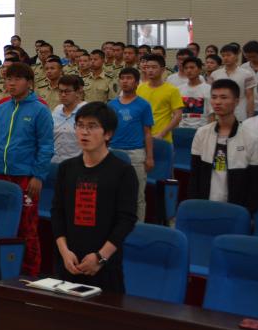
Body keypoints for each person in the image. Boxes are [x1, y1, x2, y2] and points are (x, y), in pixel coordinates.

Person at [51, 102, 138, 293]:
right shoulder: (66, 168)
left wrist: (100, 257)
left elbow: (126, 220)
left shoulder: (123, 172)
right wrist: (64, 252)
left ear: (108, 134)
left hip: (105, 265)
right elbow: (57, 212)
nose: (84, 132)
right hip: (69, 262)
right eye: (80, 125)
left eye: (92, 126)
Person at [0, 63, 53, 277]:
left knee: (27, 228)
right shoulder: (1, 108)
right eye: (8, 79)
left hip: (25, 178)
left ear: (29, 83)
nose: (11, 83)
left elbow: (46, 146)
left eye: (17, 79)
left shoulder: (40, 109)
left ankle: (29, 275)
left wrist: (38, 176)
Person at [189, 79, 258, 212]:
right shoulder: (202, 133)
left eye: (224, 97)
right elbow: (195, 175)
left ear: (236, 101)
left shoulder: (251, 138)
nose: (217, 102)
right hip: (205, 203)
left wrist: (248, 213)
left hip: (236, 208)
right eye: (214, 97)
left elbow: (256, 183)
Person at [108, 68, 154, 221]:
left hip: (136, 153)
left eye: (129, 78)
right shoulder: (111, 105)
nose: (125, 81)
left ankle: (139, 226)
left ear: (136, 82)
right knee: (112, 194)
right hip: (114, 151)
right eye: (122, 78)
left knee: (138, 195)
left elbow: (147, 133)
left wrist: (149, 157)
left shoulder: (144, 105)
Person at [136, 54, 184, 143]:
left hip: (162, 138)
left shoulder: (172, 90)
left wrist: (162, 134)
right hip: (141, 137)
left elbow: (178, 116)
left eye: (154, 67)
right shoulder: (140, 88)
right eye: (148, 67)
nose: (150, 70)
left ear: (163, 70)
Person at [211, 43, 255, 120]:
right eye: (223, 56)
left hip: (240, 114)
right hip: (220, 115)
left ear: (236, 56)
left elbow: (250, 97)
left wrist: (250, 117)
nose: (225, 58)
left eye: (228, 55)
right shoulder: (215, 74)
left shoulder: (247, 74)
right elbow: (212, 96)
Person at [52, 75, 87, 163]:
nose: (63, 95)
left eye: (67, 91)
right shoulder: (56, 110)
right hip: (54, 162)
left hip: (77, 164)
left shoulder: (87, 111)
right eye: (60, 91)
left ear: (77, 92)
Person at [178, 58, 211, 129]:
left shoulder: (209, 89)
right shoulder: (179, 90)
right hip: (182, 129)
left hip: (202, 130)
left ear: (199, 69)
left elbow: (211, 114)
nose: (189, 70)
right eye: (186, 68)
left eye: (192, 67)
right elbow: (176, 114)